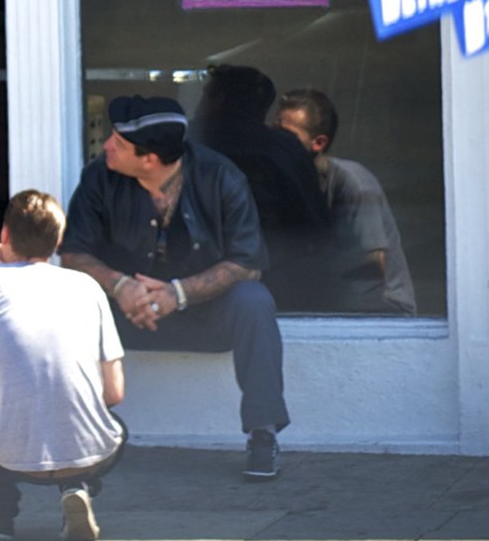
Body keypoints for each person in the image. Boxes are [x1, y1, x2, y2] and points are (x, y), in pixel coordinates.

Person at [60, 95, 289, 480]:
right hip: (123, 315)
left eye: (118, 140)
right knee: (67, 298)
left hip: (201, 314)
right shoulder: (101, 175)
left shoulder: (221, 177)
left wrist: (177, 294)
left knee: (254, 301)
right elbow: (71, 252)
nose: (108, 145)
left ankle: (262, 434)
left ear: (149, 159)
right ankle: (72, 436)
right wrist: (119, 285)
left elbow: (248, 264)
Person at [0, 191, 127, 541]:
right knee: (110, 421)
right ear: (58, 242)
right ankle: (76, 485)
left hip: (11, 457)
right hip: (94, 454)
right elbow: (114, 393)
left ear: (5, 235)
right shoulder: (87, 286)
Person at [191, 64, 329, 310]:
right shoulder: (285, 149)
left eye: (206, 94)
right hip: (274, 285)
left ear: (218, 99)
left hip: (187, 284)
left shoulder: (184, 142)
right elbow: (314, 226)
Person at [276, 88, 417, 315]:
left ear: (318, 143)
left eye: (288, 136)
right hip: (327, 300)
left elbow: (372, 267)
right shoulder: (292, 181)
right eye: (275, 132)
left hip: (381, 308)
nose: (277, 141)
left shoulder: (352, 183)